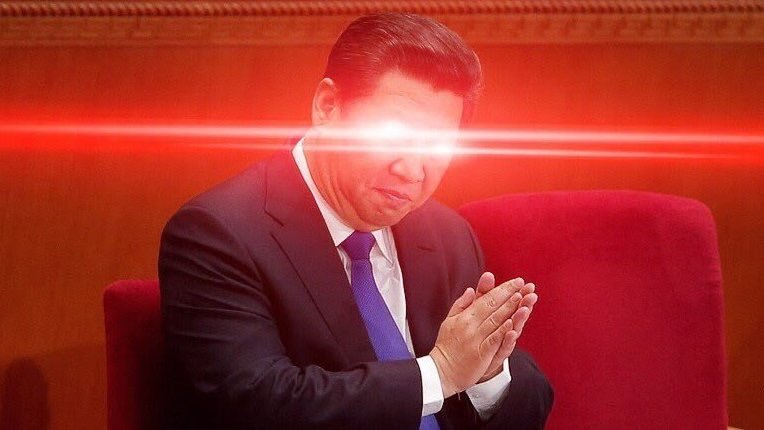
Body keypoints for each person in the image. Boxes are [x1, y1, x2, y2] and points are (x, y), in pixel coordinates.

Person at [159, 12, 553, 429]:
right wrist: (440, 374)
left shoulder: (447, 234)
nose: (412, 170)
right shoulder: (218, 233)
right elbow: (256, 405)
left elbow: (524, 408)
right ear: (328, 107)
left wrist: (487, 376)